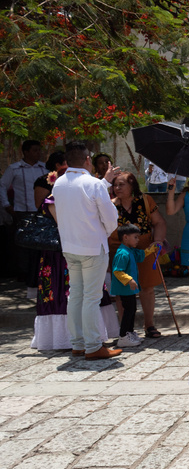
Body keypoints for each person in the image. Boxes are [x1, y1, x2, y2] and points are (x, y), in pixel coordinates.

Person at [51, 141, 122, 360]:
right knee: (90, 297)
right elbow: (111, 220)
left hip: (70, 246)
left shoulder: (59, 183)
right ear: (87, 160)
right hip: (92, 246)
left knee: (76, 295)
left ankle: (79, 343)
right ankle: (92, 346)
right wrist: (103, 230)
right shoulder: (93, 184)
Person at [109, 171, 167, 339]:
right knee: (123, 289)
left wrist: (158, 241)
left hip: (144, 247)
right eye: (115, 185)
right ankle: (126, 329)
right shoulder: (110, 204)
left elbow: (159, 222)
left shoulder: (145, 201)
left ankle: (149, 325)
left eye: (122, 184)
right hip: (119, 248)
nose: (117, 188)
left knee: (147, 287)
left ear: (132, 185)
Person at [1, 139, 47, 284]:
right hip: (22, 211)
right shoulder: (15, 168)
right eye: (34, 150)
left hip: (41, 212)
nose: (38, 153)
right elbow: (2, 186)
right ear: (25, 152)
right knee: (22, 244)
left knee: (40, 243)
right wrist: (7, 205)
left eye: (39, 150)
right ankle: (23, 272)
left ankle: (38, 272)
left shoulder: (44, 169)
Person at [110, 224, 162, 348]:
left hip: (129, 289)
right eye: (136, 237)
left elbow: (141, 255)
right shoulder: (122, 253)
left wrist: (150, 249)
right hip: (125, 289)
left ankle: (129, 333)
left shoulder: (130, 250)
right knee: (128, 311)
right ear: (126, 237)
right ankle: (123, 336)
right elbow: (117, 271)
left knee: (132, 310)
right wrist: (129, 280)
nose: (138, 240)